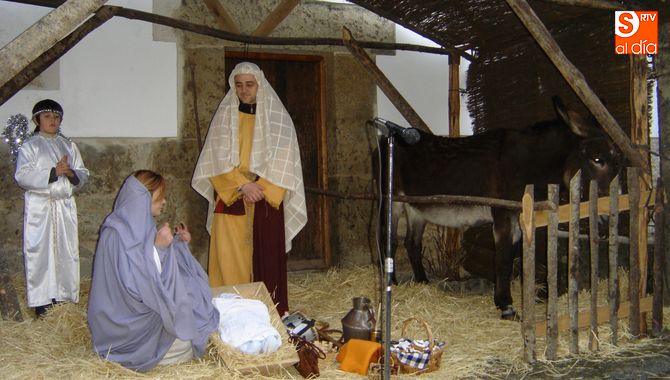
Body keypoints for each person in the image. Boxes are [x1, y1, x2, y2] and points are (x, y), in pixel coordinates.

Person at [192, 62, 307, 315]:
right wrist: (241, 184)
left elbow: (285, 159)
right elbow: (214, 159)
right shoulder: (224, 119)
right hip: (232, 196)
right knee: (229, 259)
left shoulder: (279, 121)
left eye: (249, 84)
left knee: (265, 257)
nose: (244, 90)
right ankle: (230, 313)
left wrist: (261, 186)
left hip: (266, 199)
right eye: (239, 85)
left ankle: (267, 312)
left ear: (260, 86)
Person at [87, 170, 219, 372]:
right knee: (186, 331)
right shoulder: (115, 234)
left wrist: (176, 244)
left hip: (141, 310)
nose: (164, 202)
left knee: (192, 299)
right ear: (142, 199)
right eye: (159, 197)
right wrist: (158, 249)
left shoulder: (139, 224)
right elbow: (135, 286)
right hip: (125, 324)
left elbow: (145, 260)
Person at [14, 99, 89, 318]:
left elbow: (83, 173)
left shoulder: (69, 145)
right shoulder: (30, 146)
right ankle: (42, 302)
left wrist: (71, 174)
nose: (52, 121)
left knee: (66, 251)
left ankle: (64, 297)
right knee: (41, 252)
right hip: (41, 207)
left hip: (64, 206)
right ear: (37, 120)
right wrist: (54, 172)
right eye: (47, 116)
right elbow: (22, 176)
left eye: (56, 117)